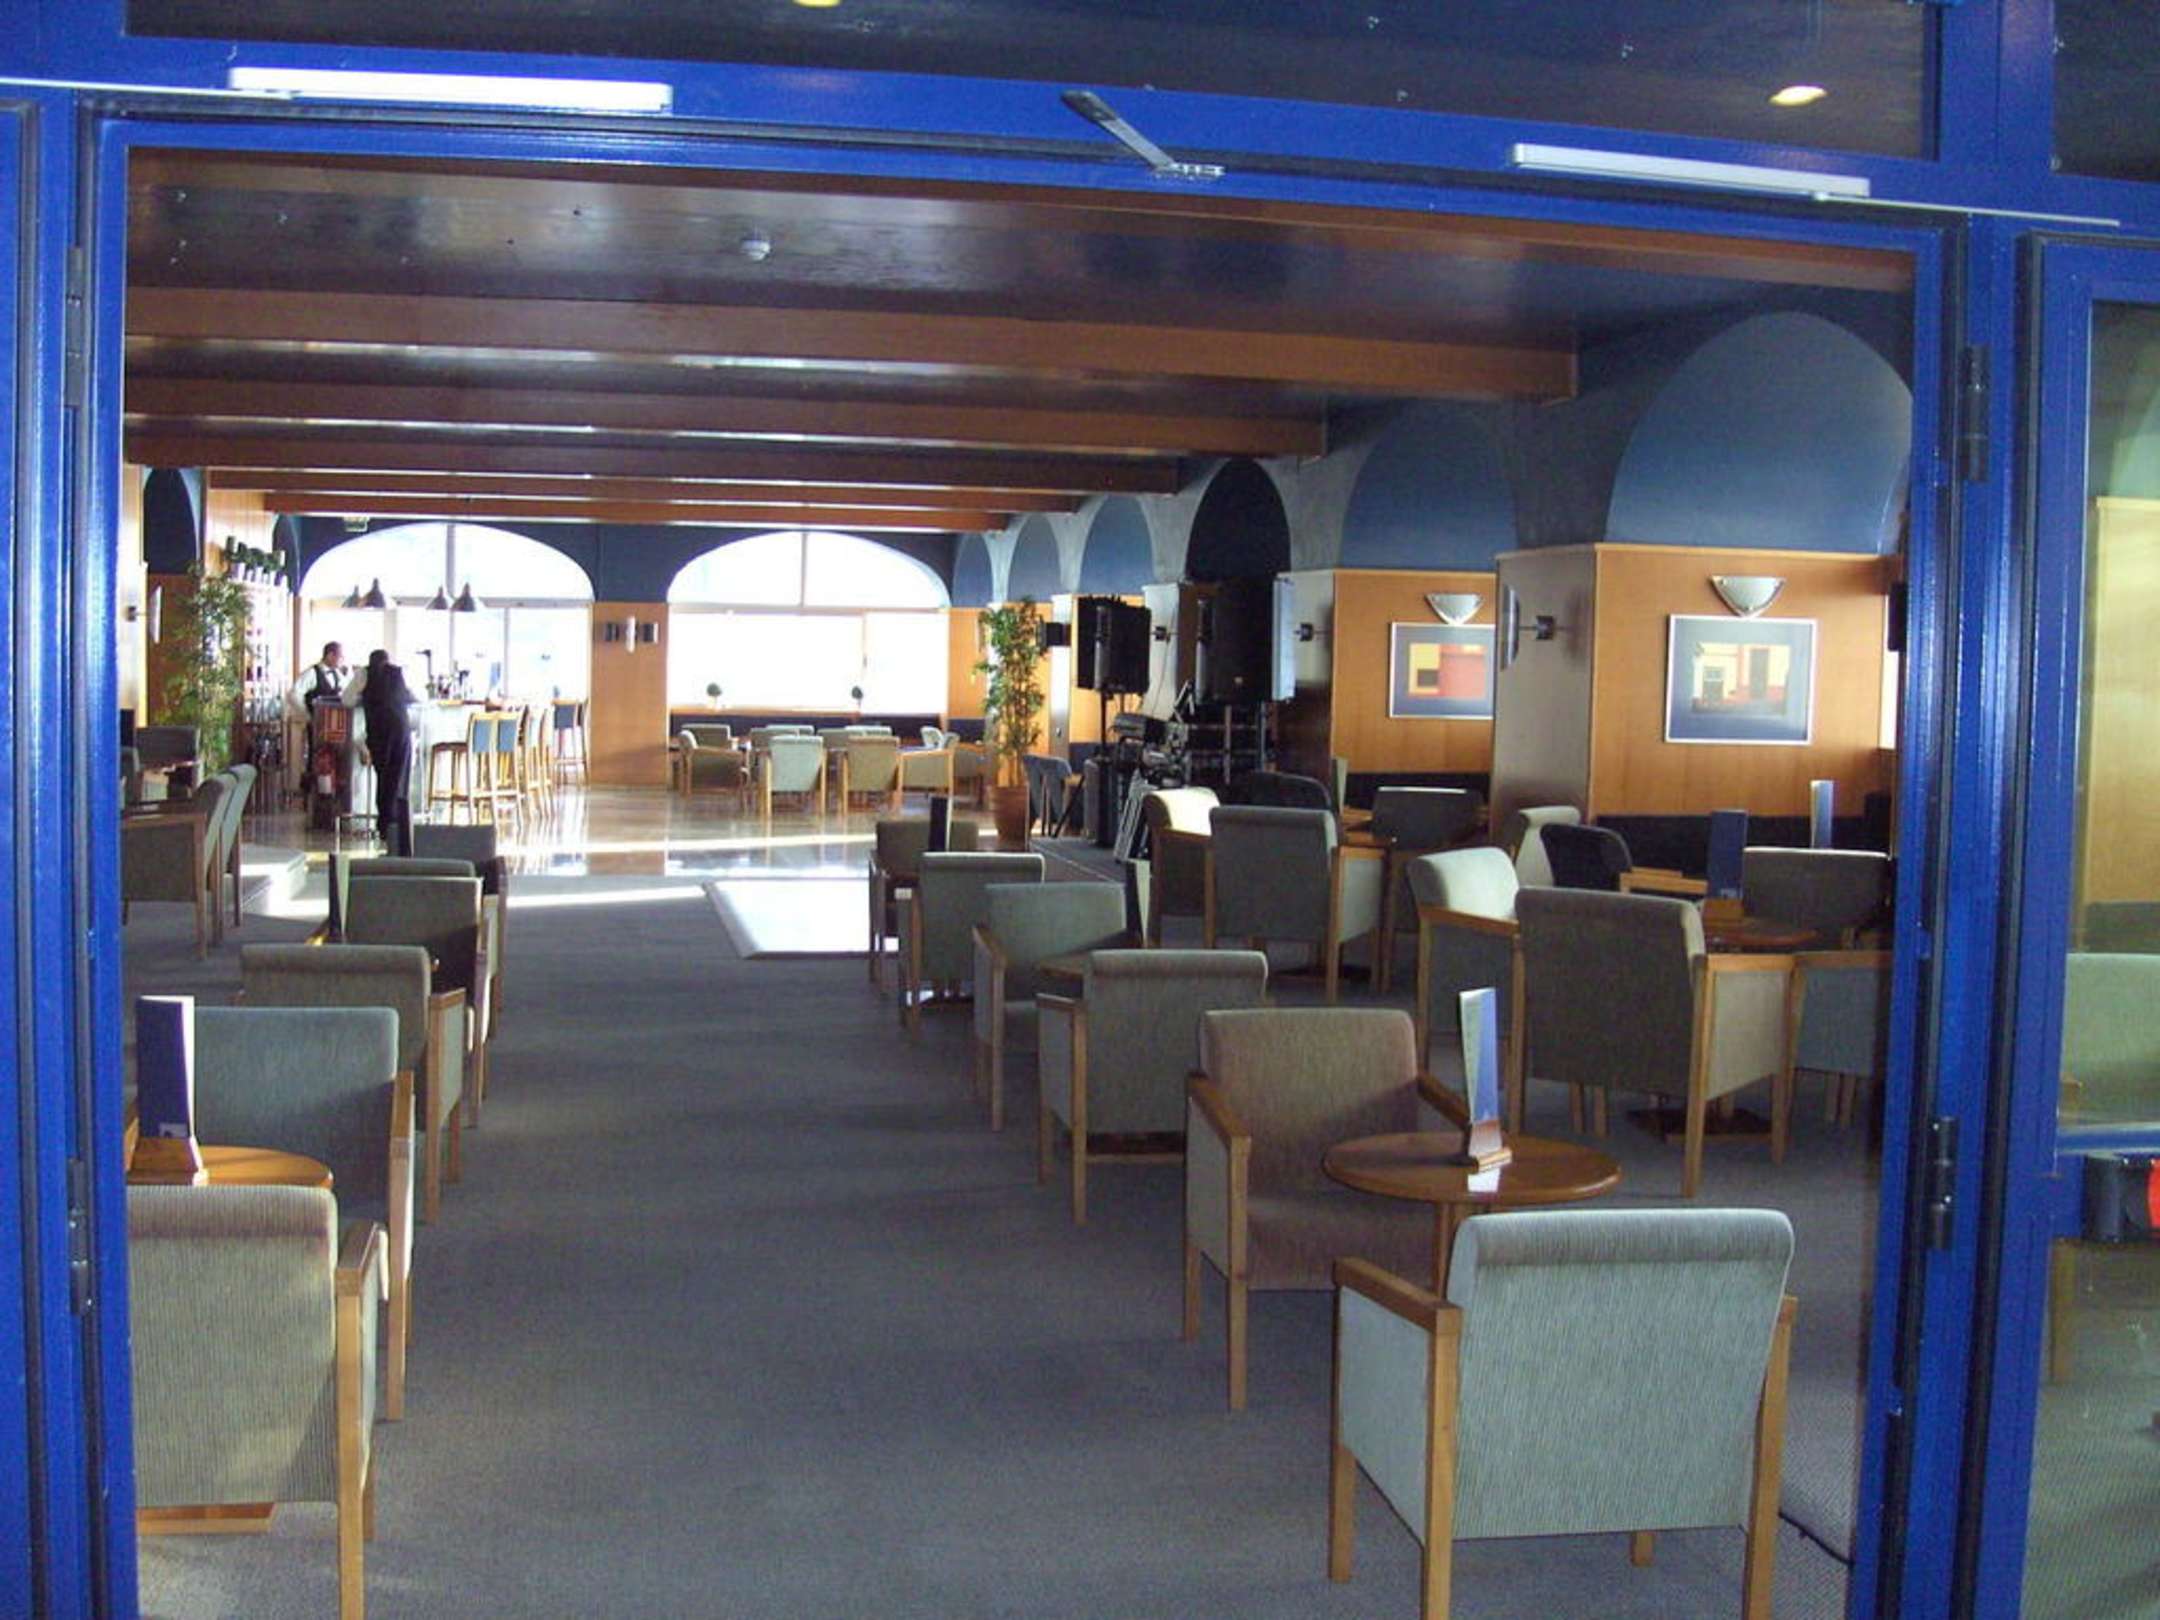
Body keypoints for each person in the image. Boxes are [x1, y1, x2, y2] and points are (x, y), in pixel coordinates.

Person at [344, 649, 416, 856]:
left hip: (378, 733)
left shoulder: (363, 674)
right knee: (399, 778)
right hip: (401, 730)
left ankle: (385, 827)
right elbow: (415, 696)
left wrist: (363, 698)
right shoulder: (399, 672)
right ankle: (399, 827)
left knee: (383, 779)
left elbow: (346, 699)